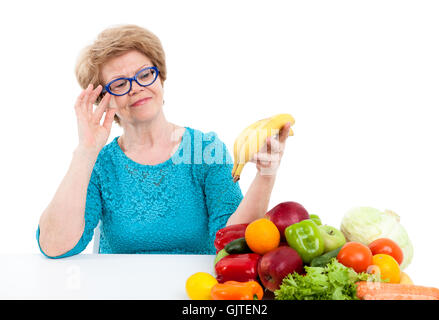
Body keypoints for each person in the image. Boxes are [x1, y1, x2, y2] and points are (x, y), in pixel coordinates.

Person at [36, 24, 291, 258]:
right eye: (120, 83)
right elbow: (55, 246)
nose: (135, 87)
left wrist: (266, 175)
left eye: (145, 74)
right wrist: (85, 151)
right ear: (105, 99)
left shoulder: (204, 150)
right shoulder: (100, 164)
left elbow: (234, 242)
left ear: (160, 77)